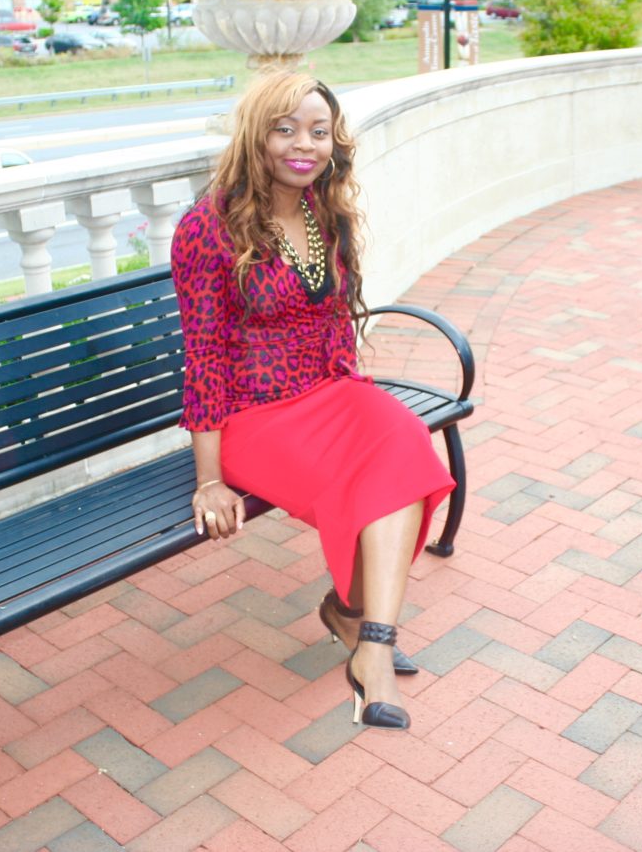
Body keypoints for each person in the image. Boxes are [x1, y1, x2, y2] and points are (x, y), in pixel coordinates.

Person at [170, 70, 455, 731]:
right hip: (254, 417)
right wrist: (209, 481)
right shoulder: (207, 228)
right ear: (256, 135)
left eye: (319, 131)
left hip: (328, 390)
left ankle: (362, 633)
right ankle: (363, 640)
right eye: (286, 128)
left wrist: (356, 398)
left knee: (405, 442)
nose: (305, 144)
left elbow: (331, 321)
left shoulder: (321, 207)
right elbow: (205, 357)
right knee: (379, 480)